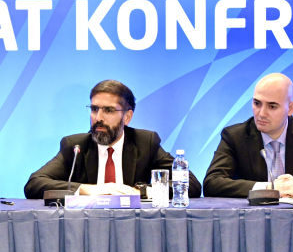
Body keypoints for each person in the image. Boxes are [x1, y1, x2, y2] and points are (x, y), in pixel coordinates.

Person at [25, 79, 202, 199]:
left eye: (108, 110)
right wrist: (86, 189)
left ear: (127, 117)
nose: (98, 117)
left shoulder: (145, 142)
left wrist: (139, 192)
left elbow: (190, 185)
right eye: (94, 109)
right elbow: (34, 184)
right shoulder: (76, 146)